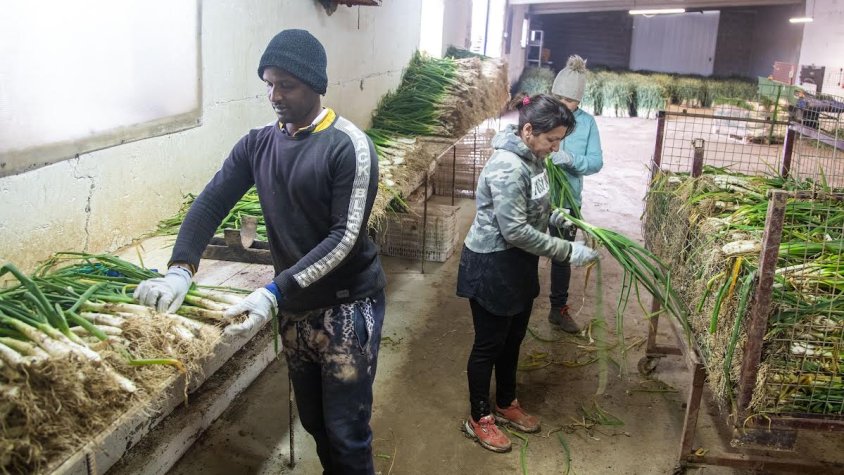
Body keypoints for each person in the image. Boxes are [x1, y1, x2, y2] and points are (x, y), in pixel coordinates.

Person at [133, 29, 386, 475]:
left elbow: (343, 240)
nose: (275, 95)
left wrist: (273, 291)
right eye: (269, 83)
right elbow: (211, 202)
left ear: (315, 85)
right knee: (314, 422)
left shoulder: (349, 146)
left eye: (286, 85)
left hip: (347, 307)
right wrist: (180, 269)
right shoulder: (258, 144)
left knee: (347, 431)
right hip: (295, 307)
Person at [456, 93, 600, 453]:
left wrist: (555, 218)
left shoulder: (535, 160)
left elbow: (536, 208)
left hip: (518, 263)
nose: (555, 148)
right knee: (489, 344)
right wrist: (567, 250)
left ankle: (505, 402)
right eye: (551, 140)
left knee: (513, 338)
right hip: (492, 264)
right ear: (528, 130)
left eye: (559, 141)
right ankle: (479, 417)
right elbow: (514, 230)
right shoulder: (508, 166)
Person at [547, 55, 604, 333]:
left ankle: (558, 309)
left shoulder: (588, 124)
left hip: (567, 201)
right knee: (523, 251)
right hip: (537, 199)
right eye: (558, 100)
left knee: (562, 256)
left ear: (578, 102)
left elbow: (595, 162)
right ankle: (517, 303)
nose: (563, 108)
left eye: (568, 103)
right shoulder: (544, 113)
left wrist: (570, 159)